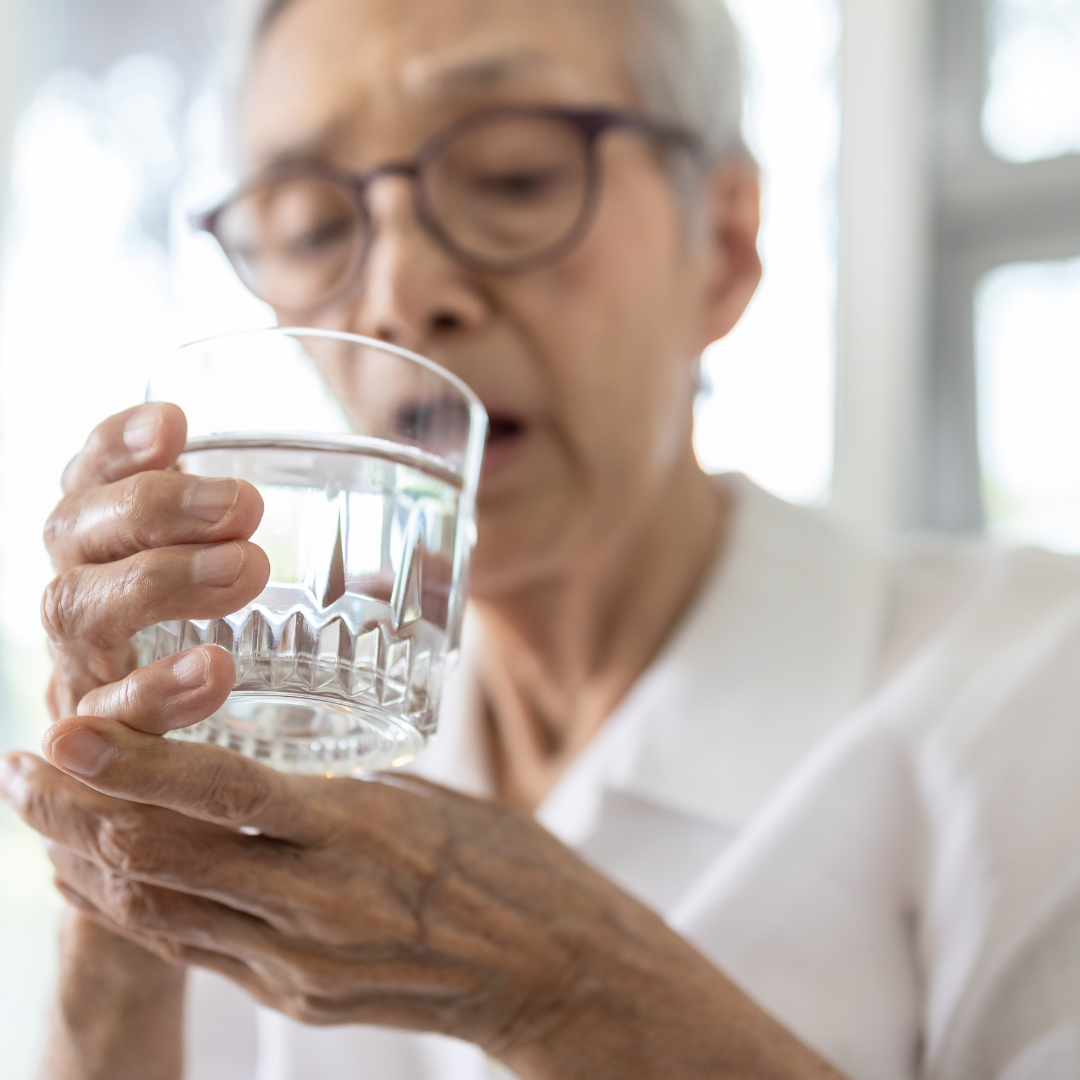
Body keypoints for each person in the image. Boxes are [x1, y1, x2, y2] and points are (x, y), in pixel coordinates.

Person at [2, 0, 1080, 1077]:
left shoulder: (1033, 687)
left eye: (515, 177)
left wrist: (573, 993)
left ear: (725, 246)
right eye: (316, 226)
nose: (399, 294)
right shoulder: (278, 729)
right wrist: (118, 888)